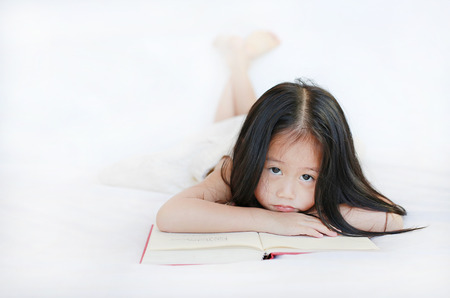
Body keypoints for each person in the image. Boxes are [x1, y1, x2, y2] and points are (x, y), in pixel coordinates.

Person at [156, 31, 413, 238]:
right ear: (254, 156)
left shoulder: (326, 163)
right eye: (275, 170)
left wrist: (308, 216)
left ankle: (239, 60)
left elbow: (390, 219)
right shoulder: (232, 169)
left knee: (249, 119)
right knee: (229, 124)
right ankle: (237, 62)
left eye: (306, 176)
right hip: (221, 141)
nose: (286, 194)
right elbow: (170, 215)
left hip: (265, 138)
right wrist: (271, 220)